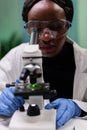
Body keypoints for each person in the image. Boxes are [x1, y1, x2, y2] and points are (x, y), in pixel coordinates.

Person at [0, 0, 87, 129]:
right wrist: (2, 101)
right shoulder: (14, 57)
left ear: (67, 26)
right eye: (36, 28)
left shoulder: (84, 60)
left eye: (56, 27)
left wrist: (79, 107)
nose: (46, 37)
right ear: (28, 28)